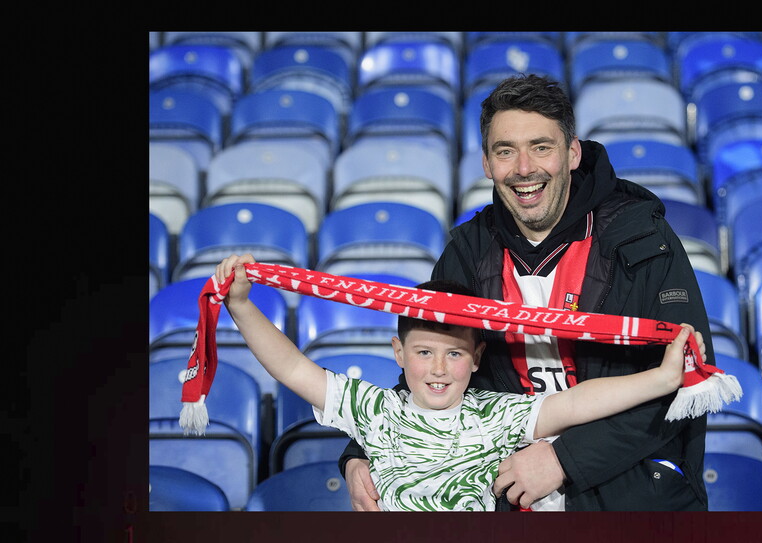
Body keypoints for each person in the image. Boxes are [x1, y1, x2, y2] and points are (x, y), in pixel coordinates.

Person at [341, 74, 717, 511]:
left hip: (632, 490)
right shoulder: (468, 251)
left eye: (541, 147)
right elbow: (431, 360)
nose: (524, 169)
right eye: (506, 151)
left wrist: (563, 459)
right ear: (486, 163)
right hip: (504, 490)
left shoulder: (642, 237)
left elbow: (688, 378)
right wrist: (360, 455)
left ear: (572, 152)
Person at [215, 254, 703, 511]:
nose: (439, 368)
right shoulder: (374, 408)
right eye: (424, 353)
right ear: (398, 355)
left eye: (455, 354)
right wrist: (240, 305)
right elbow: (292, 368)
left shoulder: (496, 413)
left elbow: (577, 404)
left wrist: (661, 378)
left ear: (477, 359)